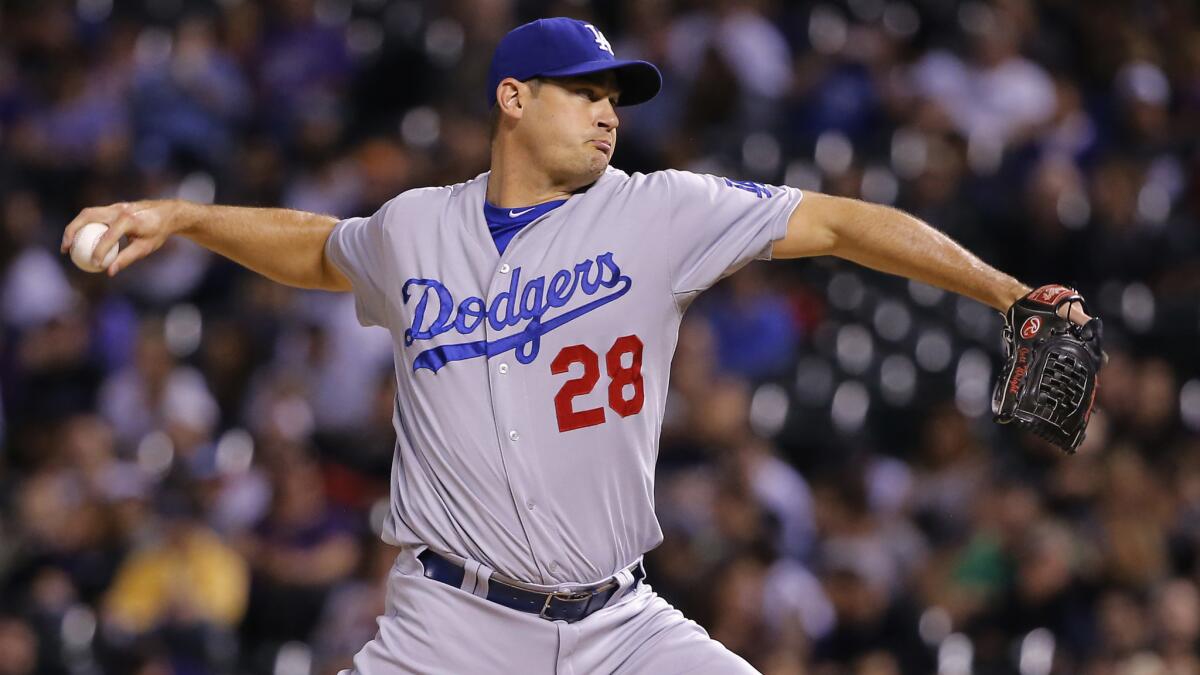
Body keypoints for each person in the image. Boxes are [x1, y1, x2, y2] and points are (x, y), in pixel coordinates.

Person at [62, 17, 1094, 674]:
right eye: (586, 93)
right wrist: (181, 217)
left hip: (619, 626)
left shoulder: (661, 211)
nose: (609, 116)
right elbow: (319, 251)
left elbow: (839, 221)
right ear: (513, 98)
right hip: (449, 628)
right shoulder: (418, 227)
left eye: (616, 100)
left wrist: (1006, 292)